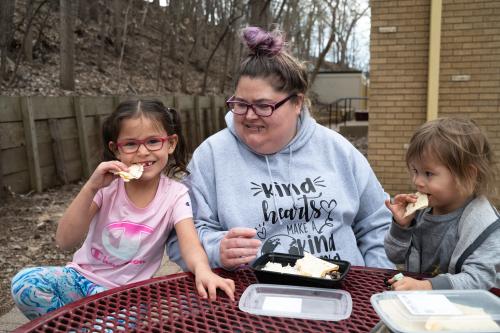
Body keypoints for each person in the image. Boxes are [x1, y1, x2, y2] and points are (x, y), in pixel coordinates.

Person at [167, 26, 394, 271]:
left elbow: (378, 225)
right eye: (241, 104)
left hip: (342, 293)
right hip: (247, 298)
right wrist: (216, 249)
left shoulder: (337, 150)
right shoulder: (211, 156)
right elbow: (179, 234)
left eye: (263, 106)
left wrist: (374, 284)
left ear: (297, 102)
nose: (250, 116)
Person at [11, 100, 235, 320]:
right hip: (80, 279)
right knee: (24, 283)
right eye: (130, 144)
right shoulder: (106, 187)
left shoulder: (176, 195)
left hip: (127, 297)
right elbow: (65, 240)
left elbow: (190, 243)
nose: (143, 152)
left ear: (171, 144)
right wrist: (91, 187)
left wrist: (203, 271)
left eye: (153, 141)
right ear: (115, 150)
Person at [384, 117, 500, 290]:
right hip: (425, 308)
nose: (417, 181)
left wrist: (428, 287)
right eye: (415, 171)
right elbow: (395, 256)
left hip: (469, 311)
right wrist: (401, 227)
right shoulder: (422, 212)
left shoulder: (484, 225)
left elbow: (479, 280)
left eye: (428, 173)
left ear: (468, 175)